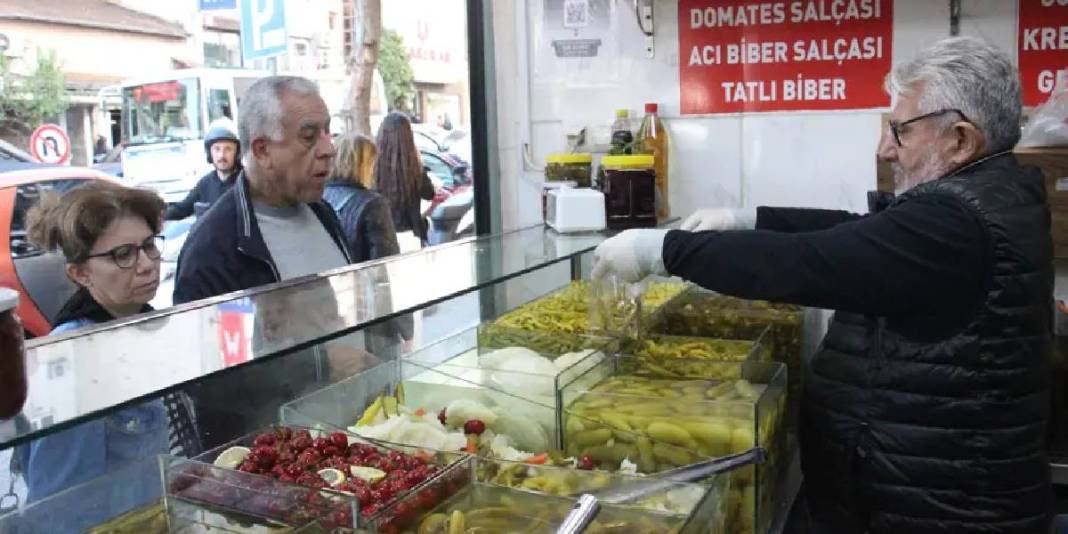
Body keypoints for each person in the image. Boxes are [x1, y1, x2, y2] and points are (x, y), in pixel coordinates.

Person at [591, 37, 1051, 533]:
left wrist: (663, 251)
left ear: (961, 139)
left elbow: (816, 262)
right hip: (922, 495)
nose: (885, 149)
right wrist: (749, 219)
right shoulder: (986, 196)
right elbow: (858, 231)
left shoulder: (958, 223)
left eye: (900, 131)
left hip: (940, 512)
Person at [172, 76, 360, 449]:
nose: (327, 149)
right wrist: (321, 363)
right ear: (261, 150)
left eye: (327, 133)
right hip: (282, 454)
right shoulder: (215, 247)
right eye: (309, 136)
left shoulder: (322, 212)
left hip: (350, 434)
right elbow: (214, 381)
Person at [18, 182, 170, 527]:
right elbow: (61, 508)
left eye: (148, 246)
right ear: (80, 273)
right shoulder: (73, 358)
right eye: (123, 254)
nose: (146, 264)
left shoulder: (146, 322)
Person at [324, 133, 400, 262]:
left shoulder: (319, 198)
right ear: (363, 165)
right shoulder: (373, 204)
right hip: (360, 280)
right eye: (372, 163)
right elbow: (386, 261)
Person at [374, 112, 436, 251]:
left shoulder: (373, 168)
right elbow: (430, 193)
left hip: (383, 238)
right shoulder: (414, 168)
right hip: (411, 237)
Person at [165, 119, 242, 220]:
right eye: (217, 149)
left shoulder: (247, 182)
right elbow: (182, 209)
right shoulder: (205, 183)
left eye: (228, 149)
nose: (221, 155)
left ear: (237, 153)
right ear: (209, 153)